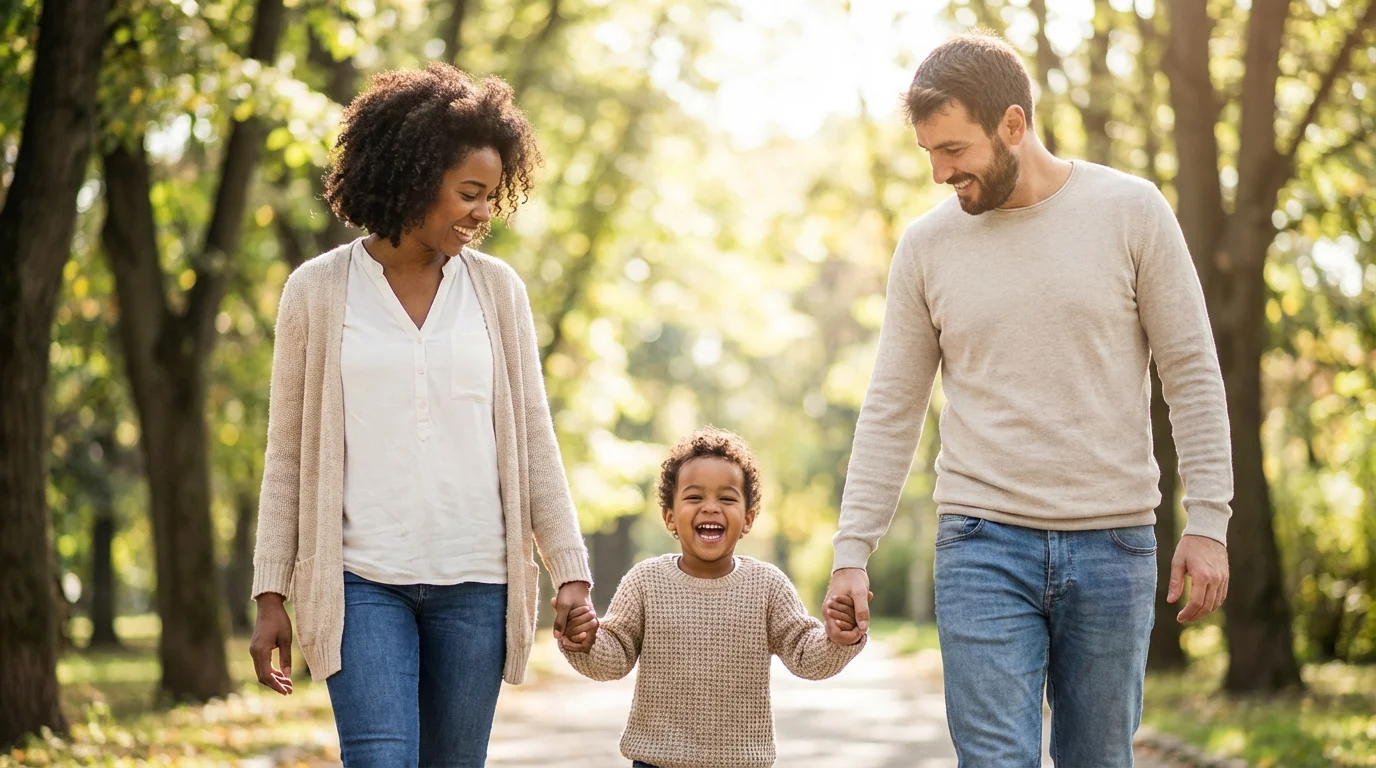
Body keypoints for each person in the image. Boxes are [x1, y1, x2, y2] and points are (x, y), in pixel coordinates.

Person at [821, 33, 1233, 766]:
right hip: (981, 543)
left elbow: (1192, 373)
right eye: (929, 153)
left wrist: (1208, 520)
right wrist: (852, 550)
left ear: (1013, 124)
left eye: (953, 149)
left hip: (1114, 543)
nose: (940, 172)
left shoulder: (1132, 212)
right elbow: (891, 408)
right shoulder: (926, 247)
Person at [248, 63, 598, 767]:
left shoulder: (498, 292)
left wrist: (570, 570)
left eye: (491, 196)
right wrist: (270, 591)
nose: (483, 213)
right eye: (469, 193)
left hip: (478, 584)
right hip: (360, 582)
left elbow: (534, 437)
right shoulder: (316, 292)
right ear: (413, 177)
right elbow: (287, 453)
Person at [561, 427, 866, 768]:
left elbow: (805, 655)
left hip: (741, 763)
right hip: (656, 762)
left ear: (748, 518)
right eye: (694, 497)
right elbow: (614, 656)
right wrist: (586, 641)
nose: (710, 508)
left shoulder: (768, 586)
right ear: (670, 517)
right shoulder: (645, 581)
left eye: (727, 498)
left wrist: (839, 639)